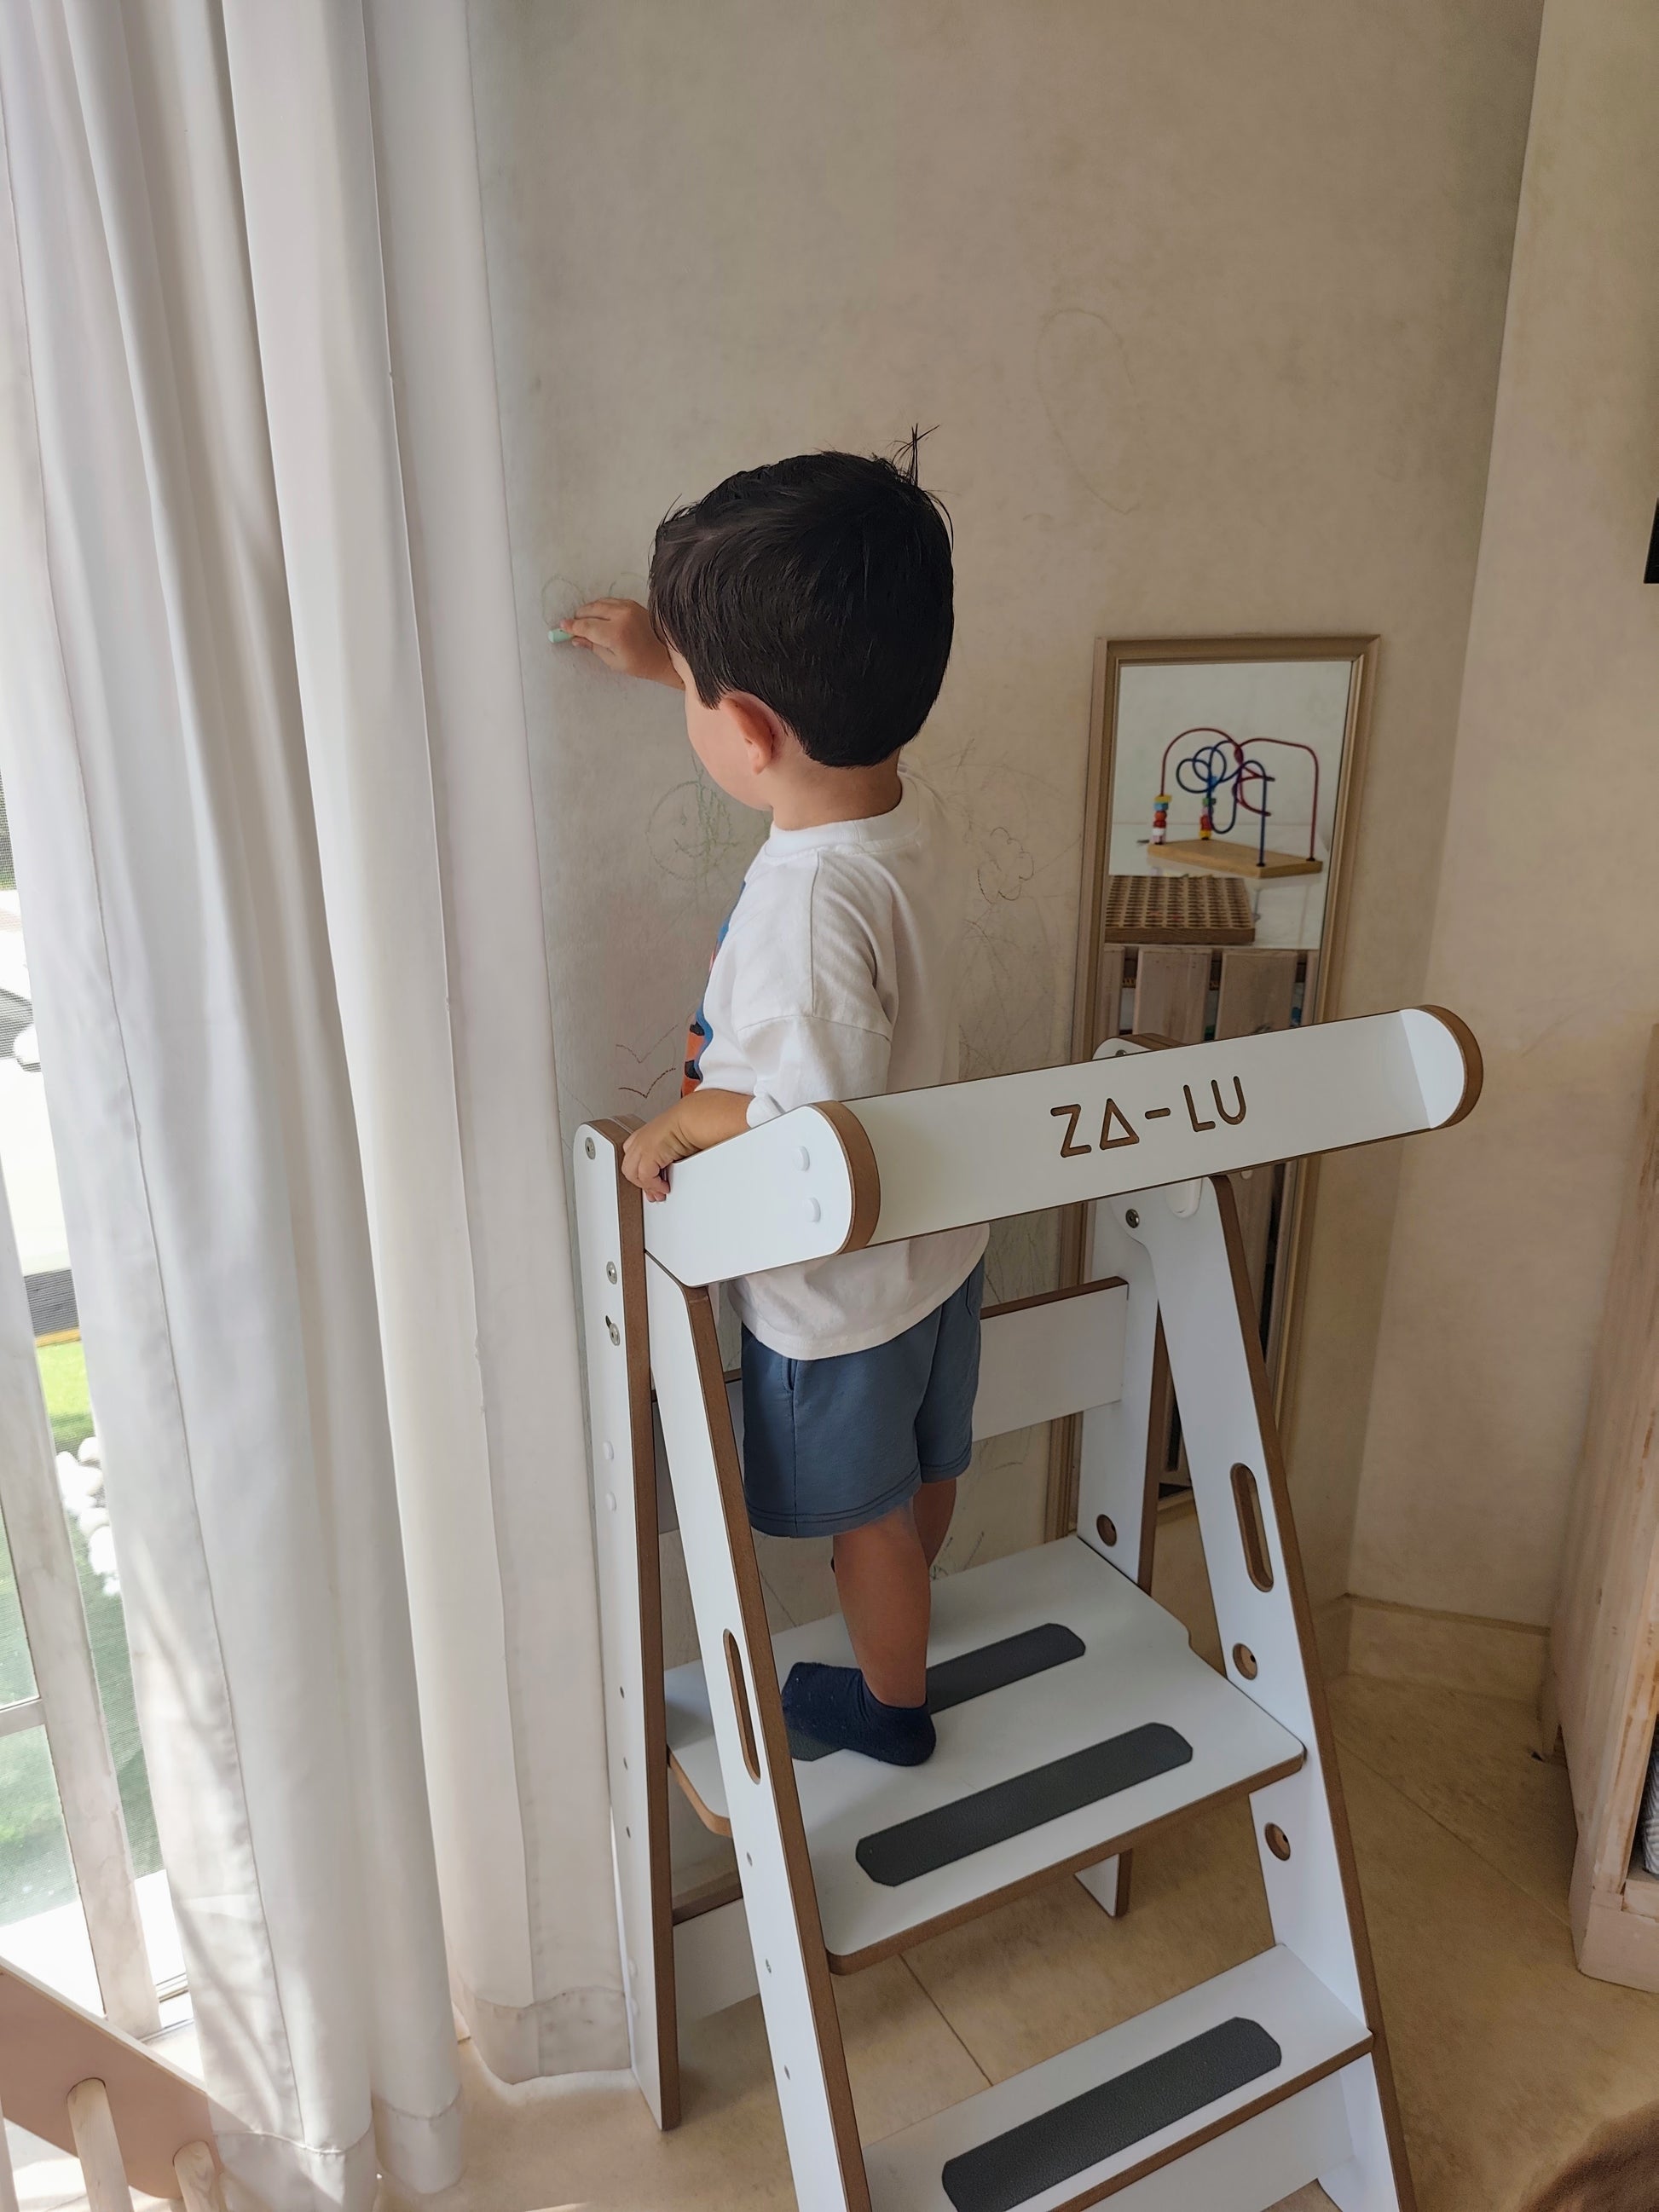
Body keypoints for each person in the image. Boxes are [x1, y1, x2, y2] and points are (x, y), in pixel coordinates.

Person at [564, 440, 985, 1767]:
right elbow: (788, 747)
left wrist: (683, 1122)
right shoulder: (899, 818)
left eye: (694, 688)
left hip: (839, 1292)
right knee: (922, 1470)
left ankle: (890, 1709)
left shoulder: (806, 904)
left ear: (745, 730)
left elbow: (809, 1126)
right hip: (937, 1246)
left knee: (864, 1523)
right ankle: (905, 1620)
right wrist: (673, 664)